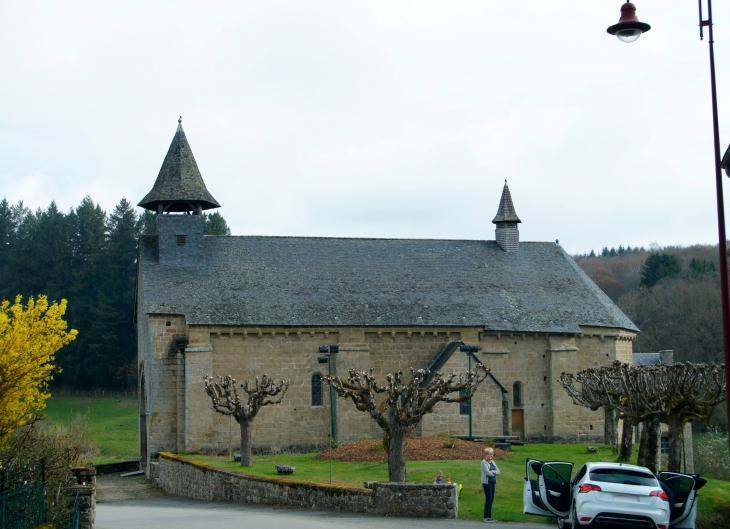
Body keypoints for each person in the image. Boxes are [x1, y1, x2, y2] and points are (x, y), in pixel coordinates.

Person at [481, 447, 500, 523]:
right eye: (489, 454)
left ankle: (490, 516)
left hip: (493, 482)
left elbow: (499, 471)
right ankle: (486, 517)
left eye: (491, 454)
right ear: (486, 454)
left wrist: (493, 471)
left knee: (491, 499)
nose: (490, 455)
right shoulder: (483, 462)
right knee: (488, 499)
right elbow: (487, 473)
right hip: (487, 482)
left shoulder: (493, 462)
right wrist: (493, 472)